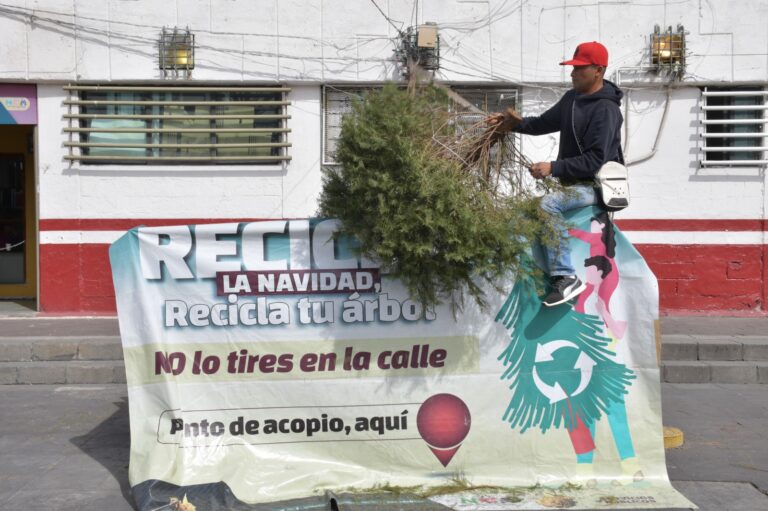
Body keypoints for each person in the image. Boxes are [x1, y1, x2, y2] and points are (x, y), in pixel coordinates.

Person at [487, 41, 625, 307]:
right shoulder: (572, 99)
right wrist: (512, 125)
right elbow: (542, 124)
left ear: (598, 70)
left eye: (579, 69)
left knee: (547, 204)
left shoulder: (607, 110)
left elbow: (596, 161)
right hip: (572, 185)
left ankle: (565, 277)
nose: (572, 74)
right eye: (572, 68)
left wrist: (553, 167)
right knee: (528, 209)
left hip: (594, 187)